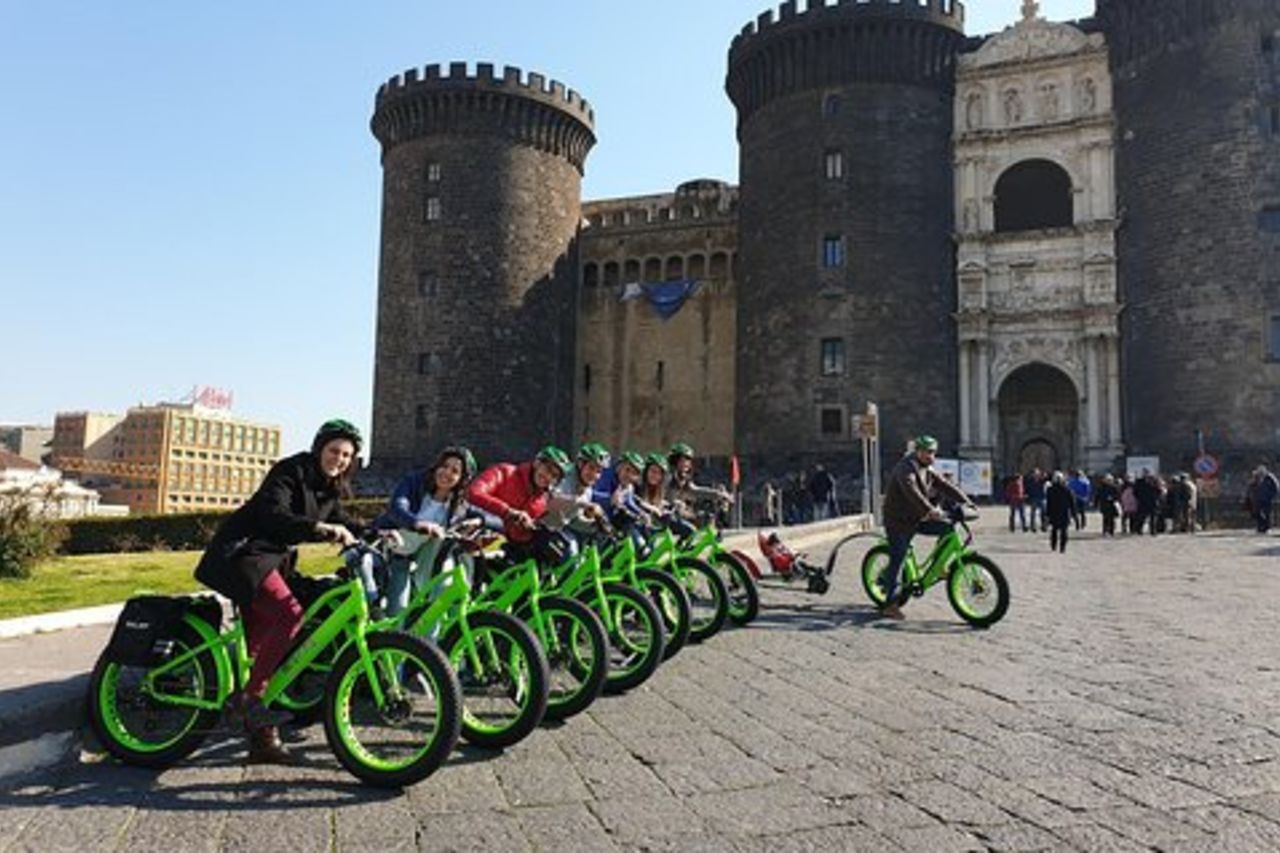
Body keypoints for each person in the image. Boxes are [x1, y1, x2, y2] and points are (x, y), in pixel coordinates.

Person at [194, 418, 363, 765]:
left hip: (269, 561)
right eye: (334, 450)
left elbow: (346, 521)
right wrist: (319, 528)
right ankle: (249, 701)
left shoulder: (328, 488)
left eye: (347, 455)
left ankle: (261, 740)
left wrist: (382, 532)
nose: (340, 459)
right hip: (243, 554)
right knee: (289, 614)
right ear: (320, 448)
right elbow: (274, 514)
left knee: (263, 649)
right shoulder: (291, 471)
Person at [369, 446, 476, 615]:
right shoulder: (414, 482)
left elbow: (492, 518)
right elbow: (397, 509)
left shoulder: (457, 504)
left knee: (442, 589)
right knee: (397, 611)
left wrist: (479, 521)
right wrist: (418, 524)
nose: (447, 473)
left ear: (462, 479)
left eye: (455, 471)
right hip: (395, 551)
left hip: (423, 556)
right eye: (444, 466)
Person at [878, 435, 974, 620]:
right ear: (918, 452)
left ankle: (939, 566)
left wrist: (967, 502)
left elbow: (945, 486)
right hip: (899, 522)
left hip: (918, 518)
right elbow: (912, 491)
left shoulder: (928, 468)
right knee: (898, 559)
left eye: (933, 452)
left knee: (948, 528)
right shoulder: (905, 469)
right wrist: (930, 510)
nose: (931, 456)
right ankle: (890, 605)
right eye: (927, 452)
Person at [467, 445, 571, 563]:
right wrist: (508, 512)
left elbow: (524, 534)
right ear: (537, 463)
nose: (548, 477)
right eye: (547, 469)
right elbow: (474, 492)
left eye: (554, 476)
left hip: (510, 551)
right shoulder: (505, 472)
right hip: (478, 538)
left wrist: (531, 528)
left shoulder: (543, 500)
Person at [667, 442, 731, 524]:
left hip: (679, 516)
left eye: (688, 461)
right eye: (682, 461)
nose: (686, 464)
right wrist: (673, 503)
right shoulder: (667, 478)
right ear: (674, 462)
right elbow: (661, 498)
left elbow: (696, 491)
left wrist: (718, 494)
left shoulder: (684, 479)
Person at [1045, 471, 1074, 553]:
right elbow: (1072, 503)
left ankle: (1054, 545)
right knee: (1063, 531)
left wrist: (1047, 514)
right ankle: (1062, 547)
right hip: (1063, 513)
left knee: (1055, 530)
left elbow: (1048, 503)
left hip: (1055, 512)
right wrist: (1074, 513)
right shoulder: (1067, 489)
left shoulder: (1050, 490)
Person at [1251, 465, 1278, 533]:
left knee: (1267, 513)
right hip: (1258, 498)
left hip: (1268, 498)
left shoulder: (1270, 478)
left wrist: (1271, 495)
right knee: (1257, 513)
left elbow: (1276, 487)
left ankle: (1267, 527)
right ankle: (1260, 526)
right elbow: (1252, 486)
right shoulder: (1256, 478)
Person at [1023, 468, 1046, 533]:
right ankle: (1033, 526)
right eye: (1035, 473)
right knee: (1033, 513)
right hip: (1033, 498)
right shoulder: (1030, 481)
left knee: (1043, 513)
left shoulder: (1041, 480)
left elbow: (1046, 482)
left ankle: (1043, 526)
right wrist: (1027, 495)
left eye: (1037, 473)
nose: (1036, 475)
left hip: (1041, 497)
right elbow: (1027, 489)